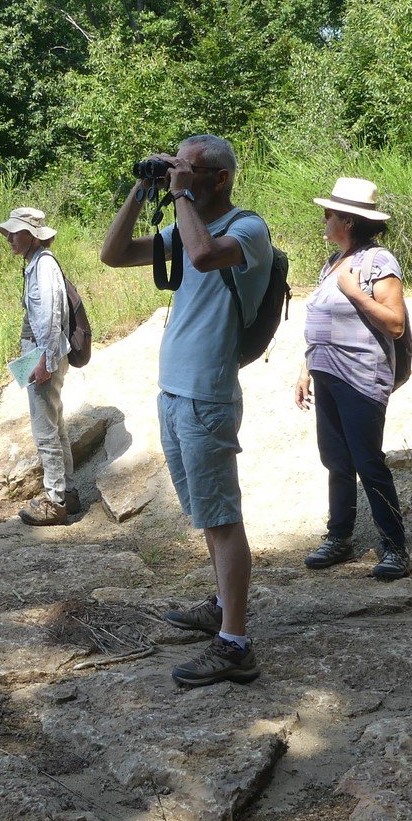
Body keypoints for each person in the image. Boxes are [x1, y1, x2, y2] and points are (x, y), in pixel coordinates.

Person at [100, 135, 273, 687]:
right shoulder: (184, 222)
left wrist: (177, 195)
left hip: (208, 393)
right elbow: (115, 254)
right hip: (174, 392)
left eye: (190, 167)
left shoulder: (248, 230)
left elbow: (201, 256)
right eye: (175, 163)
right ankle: (223, 606)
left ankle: (236, 643)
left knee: (221, 518)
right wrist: (142, 187)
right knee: (204, 512)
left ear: (219, 178)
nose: (181, 173)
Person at [295, 178, 411, 580]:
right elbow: (322, 321)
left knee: (367, 462)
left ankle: (395, 547)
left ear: (347, 219)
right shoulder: (333, 261)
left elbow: (394, 323)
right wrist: (306, 369)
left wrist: (355, 293)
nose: (324, 220)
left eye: (328, 214)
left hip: (362, 376)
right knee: (336, 461)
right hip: (327, 373)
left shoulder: (378, 261)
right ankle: (339, 537)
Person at [0, 206, 79, 526]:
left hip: (45, 354)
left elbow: (50, 315)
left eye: (14, 233)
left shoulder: (42, 266)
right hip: (45, 352)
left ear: (31, 235)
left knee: (45, 429)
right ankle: (67, 493)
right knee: (55, 425)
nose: (9, 239)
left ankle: (55, 499)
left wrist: (45, 358)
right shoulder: (37, 263)